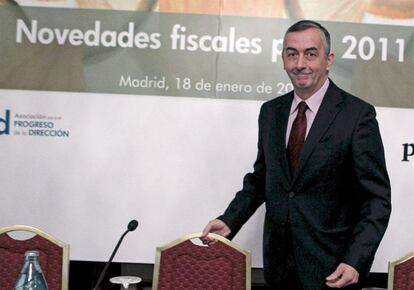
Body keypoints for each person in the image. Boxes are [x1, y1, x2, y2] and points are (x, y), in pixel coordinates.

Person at [201, 20, 391, 290]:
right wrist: (230, 220)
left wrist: (355, 260)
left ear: (329, 60)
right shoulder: (271, 112)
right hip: (279, 268)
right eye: (292, 54)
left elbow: (376, 200)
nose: (300, 63)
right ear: (283, 60)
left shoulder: (357, 115)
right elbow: (262, 178)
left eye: (310, 54)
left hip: (334, 269)